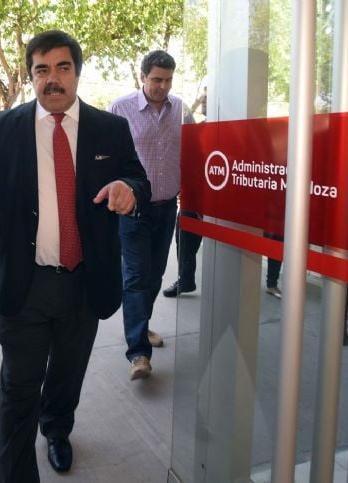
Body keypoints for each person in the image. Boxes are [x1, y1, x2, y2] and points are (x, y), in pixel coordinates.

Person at [0, 30, 149, 481]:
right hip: (24, 284)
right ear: (30, 76)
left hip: (84, 283)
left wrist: (128, 188)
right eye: (42, 70)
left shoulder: (110, 128)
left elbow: (139, 179)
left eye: (62, 67)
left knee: (68, 375)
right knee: (19, 389)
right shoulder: (2, 128)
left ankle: (56, 428)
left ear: (77, 72)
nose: (52, 79)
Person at [108, 50, 194, 380]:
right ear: (142, 77)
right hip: (133, 210)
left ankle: (141, 327)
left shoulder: (181, 110)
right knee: (135, 276)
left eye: (168, 80)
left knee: (155, 274)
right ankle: (139, 353)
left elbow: (194, 150)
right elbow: (106, 156)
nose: (163, 86)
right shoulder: (120, 108)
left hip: (167, 207)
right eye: (157, 79)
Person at [164, 87, 206, 299]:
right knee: (184, 233)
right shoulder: (201, 127)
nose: (204, 99)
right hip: (195, 192)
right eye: (204, 96)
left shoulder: (226, 128)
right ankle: (186, 279)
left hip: (213, 193)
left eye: (208, 96)